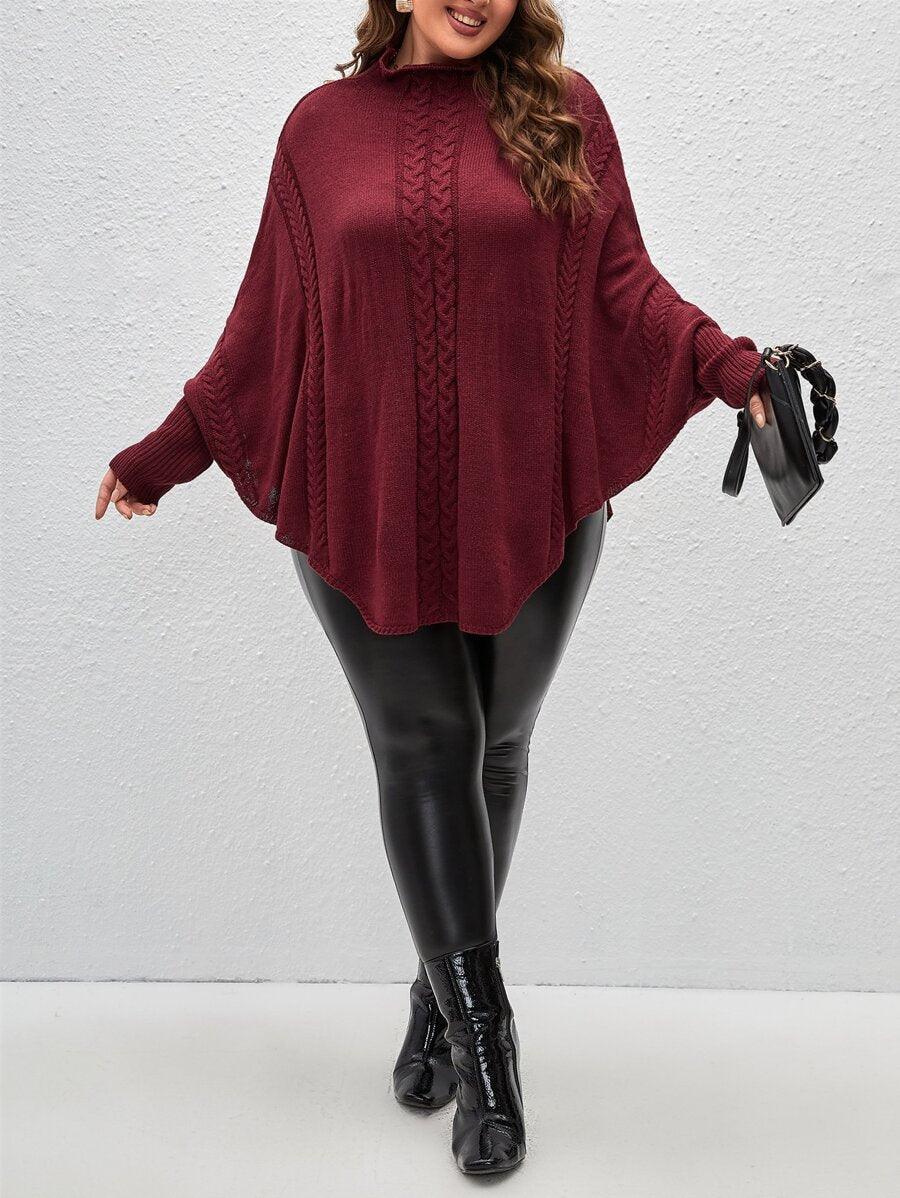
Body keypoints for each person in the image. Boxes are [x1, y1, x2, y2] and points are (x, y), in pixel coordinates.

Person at [95, 0, 772, 1176]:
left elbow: (628, 286)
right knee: (430, 743)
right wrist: (164, 452)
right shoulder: (319, 131)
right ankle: (490, 1060)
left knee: (495, 748)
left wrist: (731, 366)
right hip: (365, 498)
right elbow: (263, 324)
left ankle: (435, 1001)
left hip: (532, 493)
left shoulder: (564, 112)